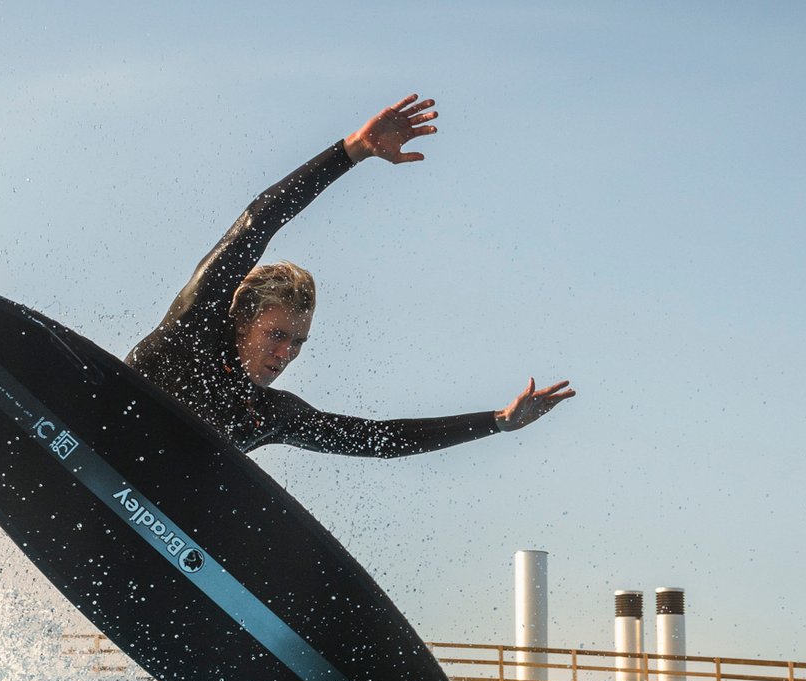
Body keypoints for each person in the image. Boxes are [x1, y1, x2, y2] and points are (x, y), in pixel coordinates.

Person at [128, 94, 574, 456]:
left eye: (297, 342)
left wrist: (496, 422)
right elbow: (258, 221)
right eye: (278, 334)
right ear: (244, 316)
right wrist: (352, 151)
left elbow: (380, 440)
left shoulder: (267, 414)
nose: (286, 352)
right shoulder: (191, 329)